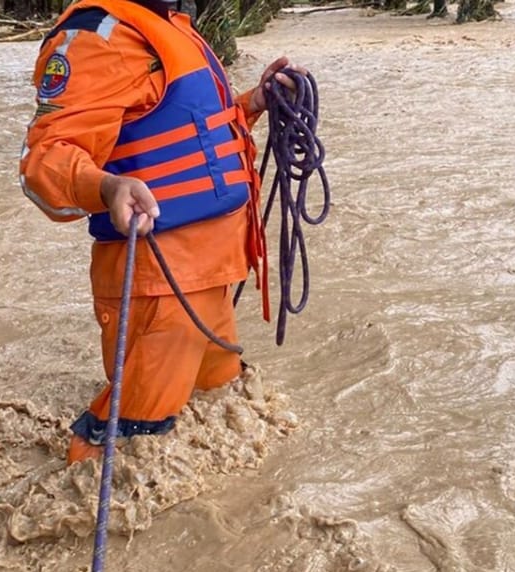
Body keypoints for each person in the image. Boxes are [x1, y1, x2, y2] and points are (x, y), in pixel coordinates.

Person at [19, 0, 306, 464]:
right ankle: (70, 510)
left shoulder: (170, 26)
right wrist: (106, 186)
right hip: (159, 281)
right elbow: (43, 163)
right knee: (134, 436)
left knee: (217, 404)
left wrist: (252, 104)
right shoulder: (99, 38)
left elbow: (191, 132)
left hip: (212, 273)